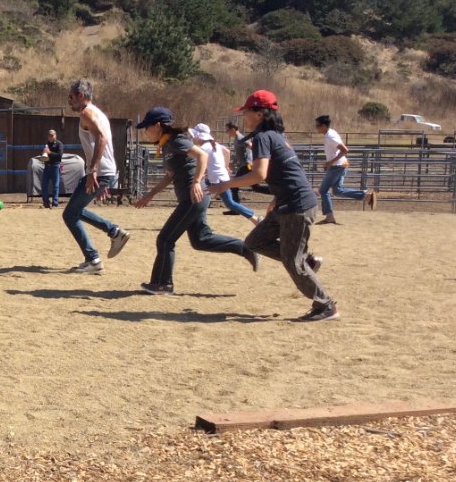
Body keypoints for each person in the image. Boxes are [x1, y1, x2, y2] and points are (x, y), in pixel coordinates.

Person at [208, 91, 335, 321]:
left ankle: (326, 305)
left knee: (291, 261)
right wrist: (275, 198)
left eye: (247, 111)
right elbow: (287, 172)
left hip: (296, 206)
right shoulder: (277, 137)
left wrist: (226, 185)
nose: (244, 116)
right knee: (255, 242)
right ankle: (307, 261)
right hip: (287, 203)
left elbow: (259, 174)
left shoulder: (263, 138)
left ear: (260, 113)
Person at [133, 106, 257, 294]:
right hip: (193, 199)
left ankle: (163, 283)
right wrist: (150, 194)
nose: (145, 131)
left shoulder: (177, 140)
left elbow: (202, 155)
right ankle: (244, 248)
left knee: (165, 239)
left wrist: (197, 181)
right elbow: (169, 176)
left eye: (146, 127)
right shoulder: (166, 145)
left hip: (193, 198)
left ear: (158, 125)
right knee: (201, 240)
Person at [62, 79, 131, 274]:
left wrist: (94, 171)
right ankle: (113, 232)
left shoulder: (86, 113)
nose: (69, 101)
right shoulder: (97, 112)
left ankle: (94, 258)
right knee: (74, 211)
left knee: (69, 215)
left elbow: (101, 138)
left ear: (81, 96)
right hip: (104, 172)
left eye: (71, 97)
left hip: (99, 172)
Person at [190, 122, 258, 224]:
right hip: (216, 178)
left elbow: (201, 161)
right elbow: (227, 152)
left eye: (194, 136)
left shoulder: (204, 148)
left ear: (200, 137)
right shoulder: (215, 144)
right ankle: (195, 220)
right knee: (198, 195)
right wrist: (225, 166)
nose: (193, 138)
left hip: (217, 180)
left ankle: (254, 218)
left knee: (230, 203)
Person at [316, 114, 376, 224]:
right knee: (337, 191)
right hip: (341, 164)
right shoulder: (331, 133)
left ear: (324, 126)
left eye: (318, 126)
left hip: (337, 166)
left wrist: (330, 162)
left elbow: (345, 150)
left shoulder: (330, 136)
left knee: (323, 190)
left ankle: (329, 216)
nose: (316, 128)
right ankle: (366, 195)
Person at [39, 129, 64, 208]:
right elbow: (43, 156)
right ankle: (46, 203)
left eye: (52, 136)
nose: (51, 137)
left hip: (55, 166)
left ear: (55, 136)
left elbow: (59, 156)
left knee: (55, 186)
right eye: (49, 136)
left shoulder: (59, 144)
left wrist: (50, 153)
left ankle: (55, 203)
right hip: (47, 166)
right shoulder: (46, 144)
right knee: (44, 185)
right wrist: (43, 153)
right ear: (48, 136)